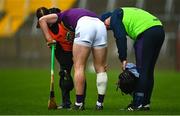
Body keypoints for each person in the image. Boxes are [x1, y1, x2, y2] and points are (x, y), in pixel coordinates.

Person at [37, 8, 108, 110]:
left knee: (79, 66)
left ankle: (79, 104)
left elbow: (42, 20)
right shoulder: (78, 12)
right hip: (100, 26)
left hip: (85, 25)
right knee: (101, 68)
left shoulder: (61, 15)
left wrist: (48, 39)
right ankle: (99, 104)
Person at [100, 7, 165, 111]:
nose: (107, 27)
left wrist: (123, 58)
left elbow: (120, 37)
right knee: (148, 70)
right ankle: (145, 103)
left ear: (107, 17)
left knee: (141, 71)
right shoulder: (122, 13)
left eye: (105, 24)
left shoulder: (114, 16)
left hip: (147, 32)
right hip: (159, 29)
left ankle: (137, 104)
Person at [36, 7, 75, 109]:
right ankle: (66, 103)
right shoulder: (44, 26)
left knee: (79, 73)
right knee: (64, 76)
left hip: (76, 47)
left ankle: (80, 102)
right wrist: (50, 43)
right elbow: (49, 41)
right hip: (62, 51)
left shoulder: (59, 18)